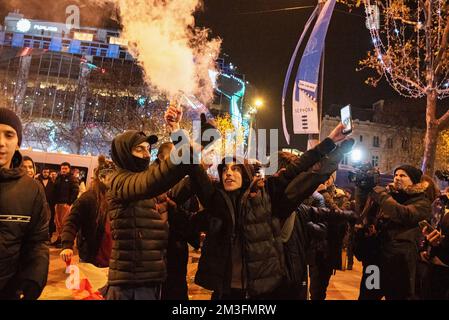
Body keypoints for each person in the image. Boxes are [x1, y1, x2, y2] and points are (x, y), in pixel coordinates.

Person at [171, 123, 348, 300]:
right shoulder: (215, 202)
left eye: (235, 168)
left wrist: (331, 142)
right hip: (225, 293)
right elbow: (192, 167)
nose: (228, 173)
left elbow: (299, 167)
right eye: (224, 169)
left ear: (246, 174)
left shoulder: (268, 195)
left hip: (260, 293)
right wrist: (176, 130)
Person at [101, 104, 203, 300]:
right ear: (123, 153)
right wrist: (186, 154)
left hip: (153, 280)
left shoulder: (147, 181)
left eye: (148, 149)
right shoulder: (119, 181)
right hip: (129, 284)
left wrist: (176, 129)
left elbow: (179, 183)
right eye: (139, 149)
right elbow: (154, 181)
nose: (147, 155)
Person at [356, 164, 431, 300]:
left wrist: (381, 195)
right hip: (375, 264)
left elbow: (405, 214)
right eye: (396, 175)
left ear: (414, 180)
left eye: (403, 175)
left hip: (400, 267)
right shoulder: (388, 195)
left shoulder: (422, 202)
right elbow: (363, 214)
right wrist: (362, 191)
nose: (397, 178)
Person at [0, 107, 50, 300]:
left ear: (18, 143)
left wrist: (33, 280)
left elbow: (37, 242)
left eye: (9, 135)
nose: (1, 143)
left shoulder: (32, 190)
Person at [60, 156, 115, 267]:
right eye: (111, 176)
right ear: (101, 177)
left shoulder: (118, 197)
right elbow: (72, 222)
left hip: (113, 259)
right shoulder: (89, 198)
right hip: (92, 258)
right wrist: (67, 245)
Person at [52, 162, 79, 247]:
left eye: (65, 168)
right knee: (58, 223)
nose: (63, 170)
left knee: (64, 223)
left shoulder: (72, 178)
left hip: (66, 205)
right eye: (62, 168)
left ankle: (64, 241)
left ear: (69, 169)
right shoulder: (58, 178)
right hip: (58, 204)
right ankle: (59, 239)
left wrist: (69, 203)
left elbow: (75, 191)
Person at [37, 167, 56, 239]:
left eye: (47, 172)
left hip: (50, 205)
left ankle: (49, 236)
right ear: (42, 172)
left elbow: (55, 193)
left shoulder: (52, 182)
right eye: (44, 172)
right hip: (39, 205)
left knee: (50, 221)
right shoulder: (37, 180)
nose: (46, 174)